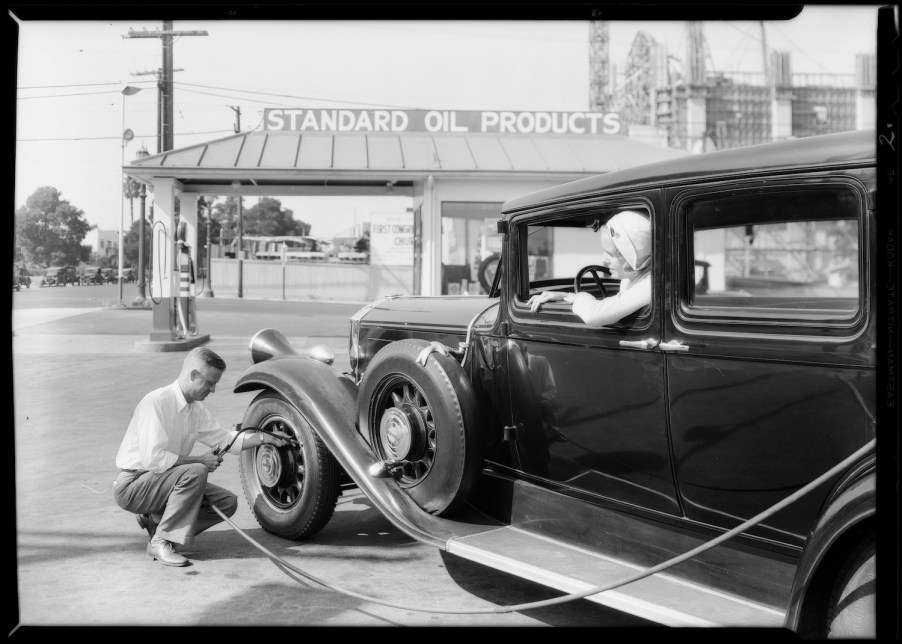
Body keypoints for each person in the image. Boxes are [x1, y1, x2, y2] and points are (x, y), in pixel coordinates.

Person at [113, 346, 287, 567]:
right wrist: (200, 461)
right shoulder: (156, 402)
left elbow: (225, 439)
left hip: (163, 481)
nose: (213, 389)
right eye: (210, 382)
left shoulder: (195, 410)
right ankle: (161, 541)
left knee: (226, 503)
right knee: (196, 471)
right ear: (193, 375)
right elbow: (153, 460)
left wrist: (265, 438)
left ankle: (157, 521)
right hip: (133, 485)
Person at [527, 210, 652, 328]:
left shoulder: (649, 285)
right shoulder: (632, 278)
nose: (603, 260)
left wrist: (581, 296)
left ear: (629, 257)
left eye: (610, 254)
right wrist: (570, 297)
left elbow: (594, 316)